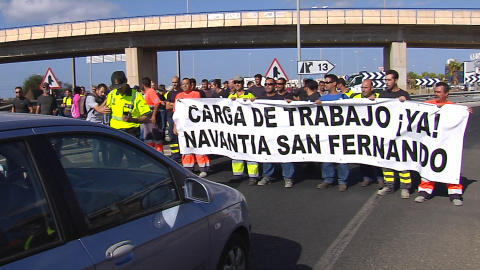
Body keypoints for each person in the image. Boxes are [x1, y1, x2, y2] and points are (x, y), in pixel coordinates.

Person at [414, 82, 473, 206]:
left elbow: (459, 118)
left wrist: (466, 112)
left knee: (450, 165)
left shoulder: (453, 107)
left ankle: (455, 193)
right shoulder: (428, 105)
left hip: (446, 143)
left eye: (439, 92)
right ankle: (424, 192)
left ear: (446, 93)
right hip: (431, 142)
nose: (436, 94)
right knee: (428, 165)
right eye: (435, 92)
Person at [377, 69, 412, 199]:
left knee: (403, 162)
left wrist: (406, 101)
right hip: (386, 134)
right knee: (386, 162)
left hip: (401, 135)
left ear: (396, 80)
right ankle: (389, 186)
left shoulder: (404, 94)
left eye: (389, 80)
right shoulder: (382, 95)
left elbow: (413, 112)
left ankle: (405, 188)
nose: (387, 82)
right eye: (385, 80)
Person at [256, 77, 295, 188]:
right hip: (267, 132)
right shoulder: (260, 99)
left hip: (282, 132)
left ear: (275, 86)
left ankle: (288, 178)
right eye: (266, 84)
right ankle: (267, 176)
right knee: (268, 154)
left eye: (270, 84)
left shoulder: (281, 99)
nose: (268, 86)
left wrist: (290, 103)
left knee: (285, 154)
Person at [316, 74, 350, 192]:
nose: (326, 84)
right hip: (326, 132)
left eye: (328, 82)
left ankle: (342, 181)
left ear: (335, 83)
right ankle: (328, 179)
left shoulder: (344, 98)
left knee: (342, 157)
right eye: (325, 82)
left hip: (341, 133)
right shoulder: (322, 99)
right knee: (326, 156)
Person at [173, 78, 210, 177]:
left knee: (198, 145)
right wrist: (175, 126)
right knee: (186, 146)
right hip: (183, 126)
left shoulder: (196, 94)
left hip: (195, 125)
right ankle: (188, 168)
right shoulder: (178, 96)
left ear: (191, 85)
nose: (185, 85)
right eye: (183, 84)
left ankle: (203, 168)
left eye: (187, 84)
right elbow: (176, 112)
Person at [352, 79, 384, 188]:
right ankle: (367, 178)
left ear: (372, 88)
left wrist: (374, 101)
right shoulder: (356, 98)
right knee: (364, 157)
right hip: (361, 132)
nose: (363, 90)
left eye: (365, 88)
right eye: (362, 88)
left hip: (376, 132)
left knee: (377, 156)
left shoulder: (380, 96)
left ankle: (380, 178)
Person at [228, 75, 259, 185]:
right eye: (235, 82)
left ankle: (253, 176)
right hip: (235, 129)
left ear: (242, 84)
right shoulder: (230, 96)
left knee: (250, 151)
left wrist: (252, 101)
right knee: (236, 152)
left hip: (248, 129)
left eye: (239, 83)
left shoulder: (249, 95)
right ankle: (237, 174)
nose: (237, 84)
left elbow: (257, 108)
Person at [85, 83, 110, 165]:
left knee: (104, 147)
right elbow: (99, 109)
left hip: (103, 124)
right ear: (97, 90)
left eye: (104, 92)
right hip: (94, 124)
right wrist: (106, 101)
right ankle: (96, 165)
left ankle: (106, 164)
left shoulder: (103, 98)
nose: (103, 94)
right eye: (101, 92)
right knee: (96, 147)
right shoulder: (90, 98)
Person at [142, 77, 165, 153]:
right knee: (148, 138)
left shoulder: (150, 92)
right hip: (147, 120)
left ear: (143, 85)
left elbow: (157, 102)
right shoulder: (146, 93)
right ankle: (150, 154)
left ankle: (160, 154)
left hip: (152, 119)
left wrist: (154, 116)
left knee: (156, 138)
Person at [165, 76, 182, 162]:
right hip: (171, 116)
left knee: (180, 136)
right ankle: (175, 155)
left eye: (175, 82)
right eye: (173, 82)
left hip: (181, 117)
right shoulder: (170, 93)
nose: (174, 84)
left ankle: (181, 154)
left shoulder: (181, 93)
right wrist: (176, 104)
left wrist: (173, 104)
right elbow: (167, 106)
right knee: (172, 136)